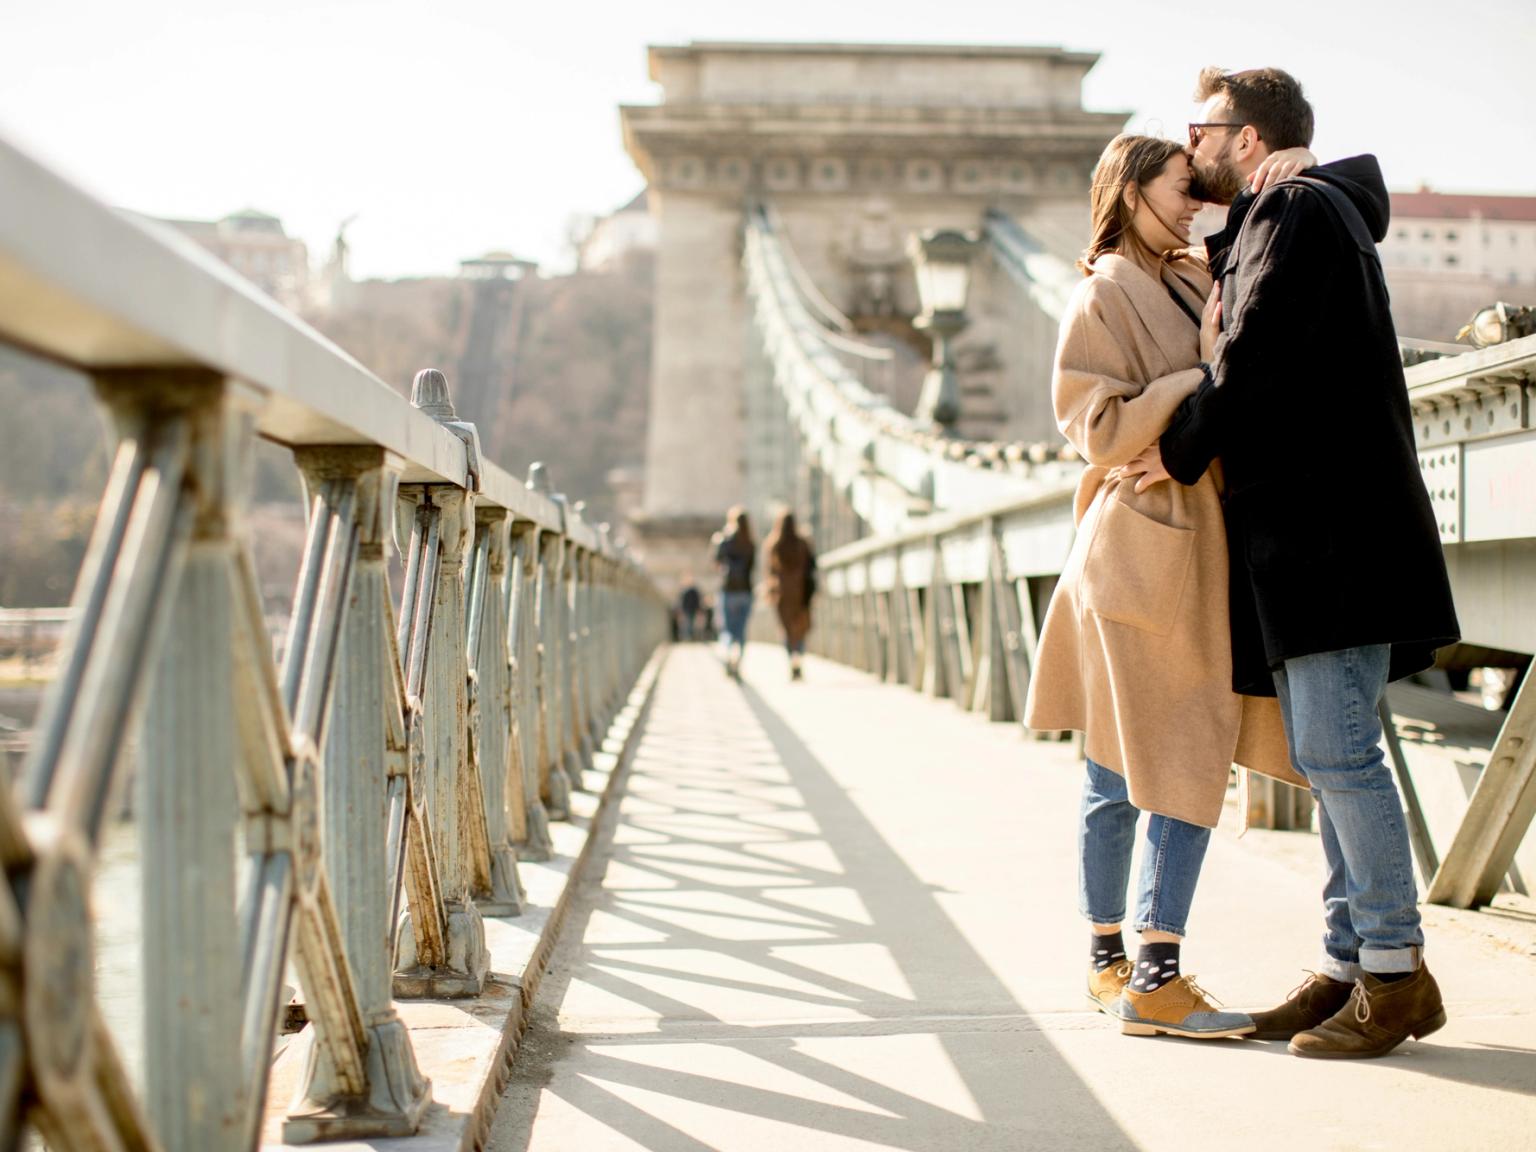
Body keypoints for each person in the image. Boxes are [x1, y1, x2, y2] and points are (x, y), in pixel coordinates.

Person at [1125, 66, 1460, 1059]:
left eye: (1204, 130)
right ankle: (1352, 965)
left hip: (1327, 534)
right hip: (1324, 533)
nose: (1192, 149)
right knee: (1329, 754)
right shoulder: (1295, 212)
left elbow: (1258, 358)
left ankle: (1392, 975)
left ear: (1250, 137)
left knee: (1339, 754)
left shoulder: (1292, 212)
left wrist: (1177, 443)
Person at [1024, 132, 1317, 1040]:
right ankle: (1149, 971)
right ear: (1132, 192)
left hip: (1197, 546)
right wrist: (1194, 384)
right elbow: (1095, 424)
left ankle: (1114, 964)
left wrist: (1294, 174)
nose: (1193, 204)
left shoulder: (1194, 279)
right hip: (1139, 551)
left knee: (1129, 765)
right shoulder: (1101, 293)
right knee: (1168, 757)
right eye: (1179, 189)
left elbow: (1260, 358)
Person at [763, 510, 816, 680]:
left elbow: (770, 571)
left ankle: (791, 658)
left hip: (782, 594)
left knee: (786, 630)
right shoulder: (803, 543)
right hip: (800, 592)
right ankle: (798, 658)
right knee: (799, 628)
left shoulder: (773, 544)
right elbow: (812, 566)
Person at [714, 507, 756, 678]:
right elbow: (752, 568)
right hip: (746, 591)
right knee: (740, 630)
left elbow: (717, 563)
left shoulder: (725, 540)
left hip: (729, 590)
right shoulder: (751, 543)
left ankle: (728, 655)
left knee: (727, 629)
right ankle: (738, 658)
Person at [677, 575, 702, 642]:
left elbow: (697, 600)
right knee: (688, 622)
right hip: (687, 609)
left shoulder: (693, 590)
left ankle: (689, 636)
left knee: (690, 622)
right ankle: (688, 636)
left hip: (691, 608)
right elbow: (681, 601)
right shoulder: (685, 590)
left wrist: (698, 608)